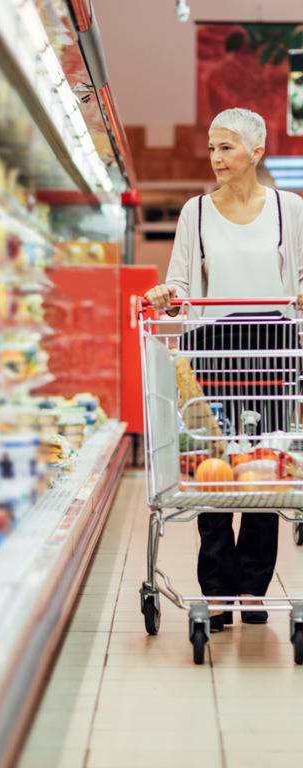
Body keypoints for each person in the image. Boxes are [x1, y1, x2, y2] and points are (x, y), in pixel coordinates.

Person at [144, 108, 303, 631]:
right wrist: (169, 297)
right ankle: (216, 590)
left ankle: (253, 590)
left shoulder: (290, 210)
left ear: (256, 151)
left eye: (227, 147)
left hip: (273, 347)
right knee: (209, 467)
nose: (216, 158)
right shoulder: (196, 211)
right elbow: (183, 288)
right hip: (213, 347)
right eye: (212, 148)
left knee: (264, 468)